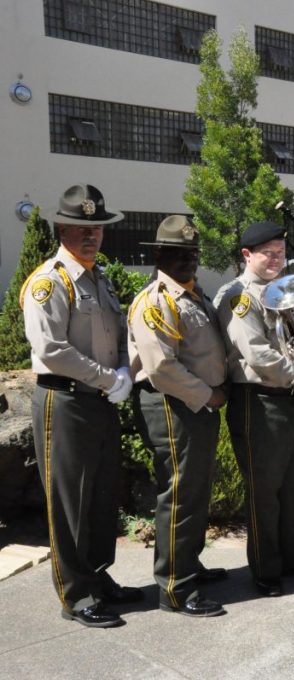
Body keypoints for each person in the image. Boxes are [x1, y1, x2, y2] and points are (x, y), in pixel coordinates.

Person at [22, 184, 139, 628]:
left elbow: (117, 336)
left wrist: (125, 371)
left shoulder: (99, 278)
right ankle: (75, 594)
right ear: (61, 228)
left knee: (100, 495)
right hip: (65, 401)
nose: (91, 236)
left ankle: (96, 576)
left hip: (101, 400)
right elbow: (50, 349)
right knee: (70, 500)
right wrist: (110, 378)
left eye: (98, 228)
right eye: (80, 227)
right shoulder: (49, 281)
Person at [214, 221, 294, 597]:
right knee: (265, 490)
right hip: (259, 401)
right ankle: (266, 569)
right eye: (269, 253)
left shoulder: (285, 290)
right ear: (247, 255)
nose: (277, 259)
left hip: (292, 401)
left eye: (281, 252)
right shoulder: (238, 296)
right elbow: (259, 355)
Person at [127, 215, 228, 617]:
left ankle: (188, 564)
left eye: (191, 252)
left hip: (198, 406)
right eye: (176, 253)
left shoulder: (194, 295)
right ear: (159, 256)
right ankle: (174, 587)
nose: (187, 260)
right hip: (172, 404)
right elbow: (160, 368)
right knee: (181, 494)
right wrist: (208, 394)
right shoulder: (156, 302)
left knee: (195, 492)